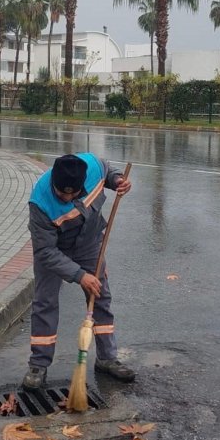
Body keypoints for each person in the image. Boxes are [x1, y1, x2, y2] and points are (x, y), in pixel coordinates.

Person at [22, 152, 134, 390]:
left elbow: (107, 169)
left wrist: (116, 181)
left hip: (89, 243)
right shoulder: (40, 202)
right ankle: (38, 364)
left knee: (100, 296)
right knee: (45, 302)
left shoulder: (92, 168)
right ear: (54, 183)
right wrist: (80, 276)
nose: (68, 198)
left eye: (74, 194)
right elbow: (45, 252)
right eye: (63, 194)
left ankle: (107, 358)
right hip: (54, 249)